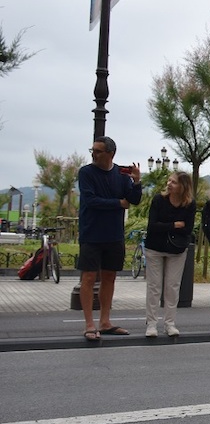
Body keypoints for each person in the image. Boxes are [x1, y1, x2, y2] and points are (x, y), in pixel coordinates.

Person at [77, 136, 143, 341]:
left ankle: (105, 322)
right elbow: (90, 200)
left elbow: (134, 200)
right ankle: (89, 324)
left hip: (114, 235)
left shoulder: (121, 175)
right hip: (91, 233)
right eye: (93, 150)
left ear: (111, 153)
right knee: (88, 278)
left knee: (110, 277)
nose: (94, 154)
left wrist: (137, 181)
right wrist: (118, 203)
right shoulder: (86, 172)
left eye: (98, 151)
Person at [143, 172, 196, 337]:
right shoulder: (159, 200)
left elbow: (188, 228)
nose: (169, 184)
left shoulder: (189, 204)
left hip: (177, 250)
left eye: (173, 182)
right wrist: (174, 225)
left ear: (183, 186)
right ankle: (151, 324)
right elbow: (152, 226)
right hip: (155, 248)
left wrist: (166, 226)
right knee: (154, 287)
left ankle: (170, 323)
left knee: (172, 287)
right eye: (169, 181)